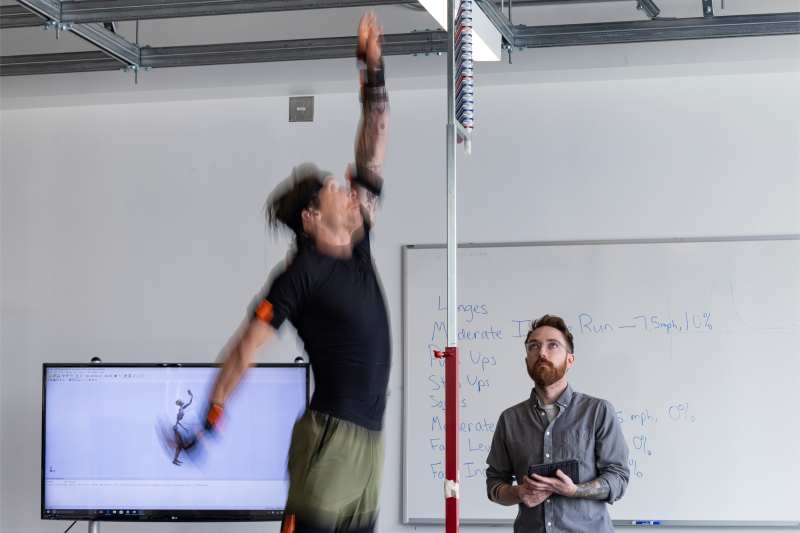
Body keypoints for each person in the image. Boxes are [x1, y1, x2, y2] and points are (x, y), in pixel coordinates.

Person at [204, 12, 390, 533]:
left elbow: (376, 134)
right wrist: (213, 414)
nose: (349, 192)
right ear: (311, 217)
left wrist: (371, 68)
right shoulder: (300, 275)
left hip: (370, 443)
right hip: (329, 437)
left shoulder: (359, 241)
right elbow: (245, 347)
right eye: (336, 187)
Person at [485, 315, 629, 533]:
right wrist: (519, 493)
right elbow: (494, 483)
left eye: (552, 345)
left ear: (570, 360)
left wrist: (574, 491)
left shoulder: (598, 411)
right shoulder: (510, 419)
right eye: (534, 346)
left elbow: (617, 477)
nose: (542, 352)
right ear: (527, 361)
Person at [172, 390, 194, 465]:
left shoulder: (182, 409)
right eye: (181, 402)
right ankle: (175, 459)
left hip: (176, 429)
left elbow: (190, 403)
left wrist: (191, 396)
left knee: (180, 445)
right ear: (180, 403)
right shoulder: (181, 410)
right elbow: (177, 421)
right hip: (175, 429)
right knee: (181, 445)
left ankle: (175, 459)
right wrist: (184, 428)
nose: (182, 402)